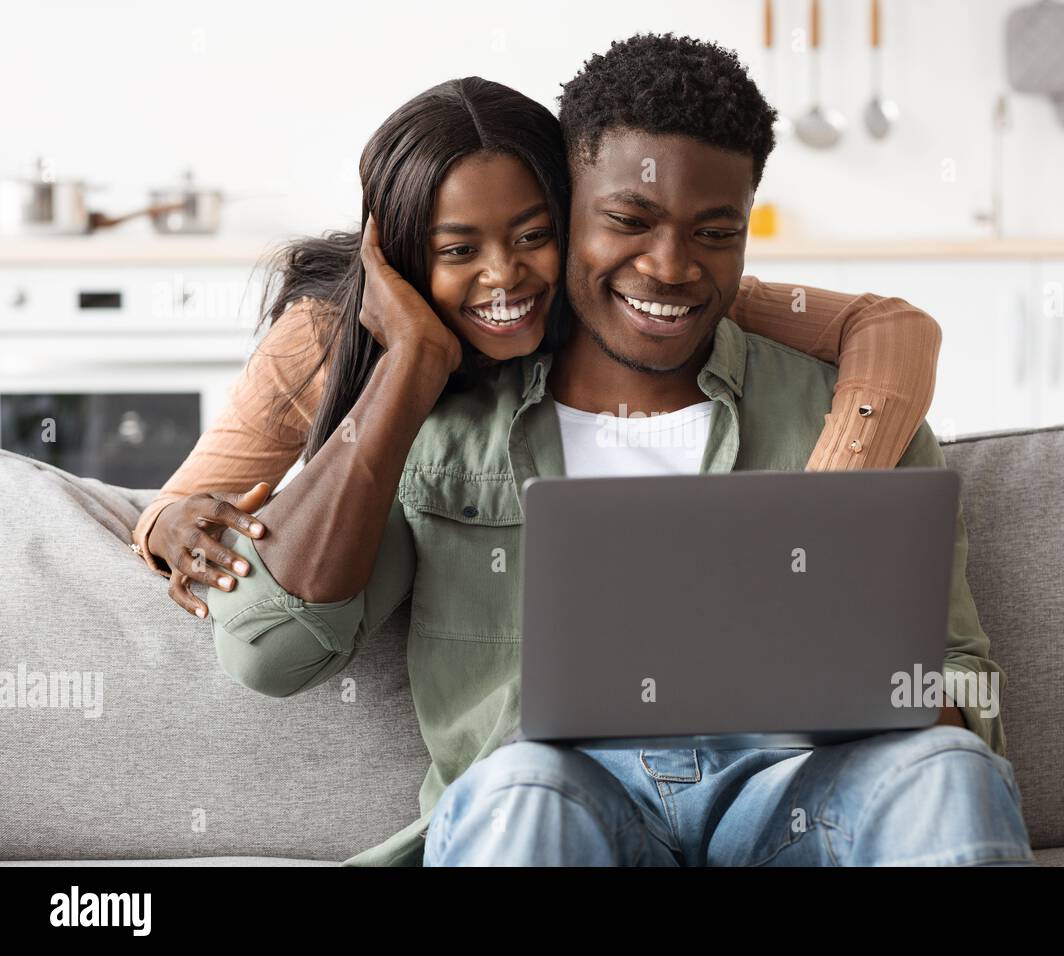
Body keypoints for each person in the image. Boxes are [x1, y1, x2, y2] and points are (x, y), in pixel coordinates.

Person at [207, 35, 1032, 867]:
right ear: (566, 210)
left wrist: (865, 686)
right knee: (522, 790)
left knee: (948, 769)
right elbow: (266, 654)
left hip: (788, 802)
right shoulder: (447, 429)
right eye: (629, 221)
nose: (672, 267)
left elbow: (963, 679)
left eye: (716, 231)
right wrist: (408, 367)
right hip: (557, 801)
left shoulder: (844, 414)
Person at [129, 81, 942, 619]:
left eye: (533, 235)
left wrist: (828, 501)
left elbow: (892, 328)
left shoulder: (611, 301)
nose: (504, 277)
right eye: (459, 250)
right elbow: (177, 502)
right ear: (402, 251)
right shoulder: (322, 336)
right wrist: (165, 526)